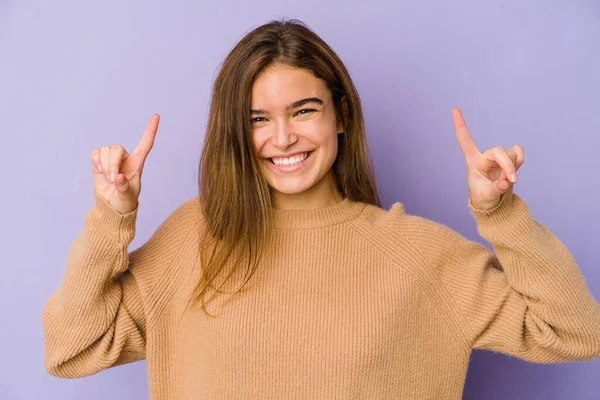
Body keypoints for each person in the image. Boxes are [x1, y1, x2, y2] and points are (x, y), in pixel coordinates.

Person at [42, 18, 600, 399]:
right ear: (237, 132)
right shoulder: (193, 239)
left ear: (340, 116)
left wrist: (501, 216)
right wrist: (109, 219)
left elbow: (574, 332)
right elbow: (70, 348)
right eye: (258, 118)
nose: (282, 137)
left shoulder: (417, 255)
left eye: (303, 110)